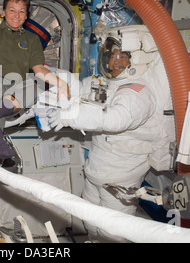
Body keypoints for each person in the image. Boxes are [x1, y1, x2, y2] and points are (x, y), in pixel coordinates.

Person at [47, 25, 176, 242]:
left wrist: (70, 117)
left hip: (120, 177)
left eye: (121, 57)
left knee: (112, 231)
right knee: (89, 218)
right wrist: (59, 79)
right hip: (97, 170)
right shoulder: (109, 83)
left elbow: (116, 120)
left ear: (136, 60)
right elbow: (82, 90)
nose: (112, 62)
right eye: (110, 55)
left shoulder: (138, 91)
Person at [0, 0, 70, 160]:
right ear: (4, 11)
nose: (17, 15)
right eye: (12, 10)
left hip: (18, 84)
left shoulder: (32, 39)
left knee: (39, 84)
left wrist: (62, 84)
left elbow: (39, 70)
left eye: (22, 11)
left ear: (26, 15)